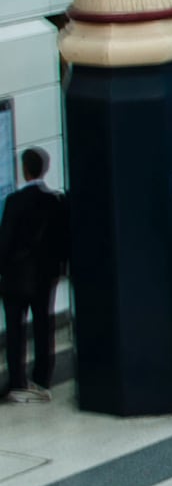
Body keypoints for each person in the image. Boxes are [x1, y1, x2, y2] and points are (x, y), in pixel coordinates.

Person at [0, 148, 66, 405]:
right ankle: (42, 376)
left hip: (17, 277)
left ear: (25, 170)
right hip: (44, 276)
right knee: (42, 325)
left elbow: (5, 242)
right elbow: (61, 240)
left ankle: (17, 380)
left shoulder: (15, 201)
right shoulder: (56, 201)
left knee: (16, 330)